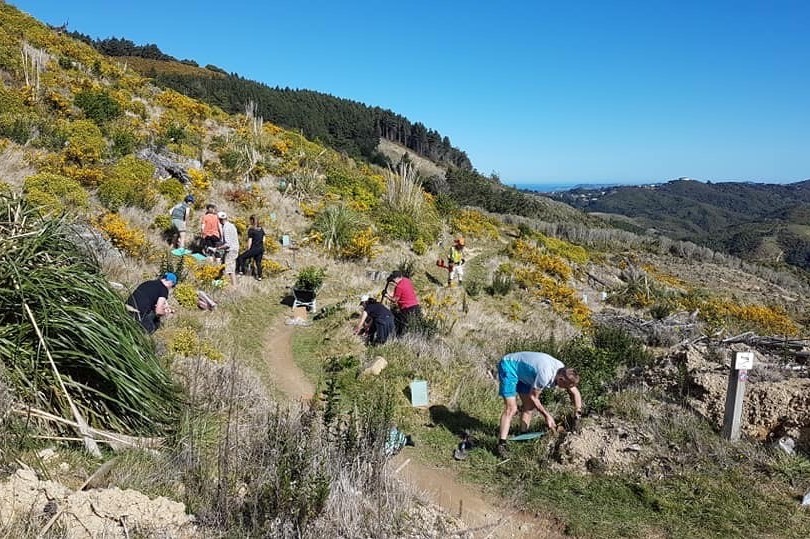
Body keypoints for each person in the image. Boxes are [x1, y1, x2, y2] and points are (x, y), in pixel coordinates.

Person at [495, 351, 582, 458]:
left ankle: (522, 436)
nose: (566, 389)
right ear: (561, 379)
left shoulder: (563, 371)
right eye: (566, 386)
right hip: (509, 366)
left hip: (525, 374)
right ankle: (501, 445)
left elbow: (575, 393)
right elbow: (533, 397)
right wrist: (547, 416)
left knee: (529, 407)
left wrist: (577, 414)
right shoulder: (545, 375)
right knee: (511, 408)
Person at [384, 271, 421, 335]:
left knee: (401, 324)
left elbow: (394, 300)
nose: (394, 280)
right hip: (415, 305)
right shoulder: (407, 280)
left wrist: (386, 295)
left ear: (397, 278)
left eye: (394, 279)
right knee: (415, 325)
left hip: (407, 309)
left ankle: (399, 337)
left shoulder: (399, 287)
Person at [236, 214, 265, 280]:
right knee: (258, 262)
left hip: (254, 248)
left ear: (252, 221)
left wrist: (249, 250)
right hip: (261, 248)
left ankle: (241, 271)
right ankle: (260, 277)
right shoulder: (261, 229)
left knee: (241, 257)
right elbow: (264, 239)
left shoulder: (251, 230)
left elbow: (250, 241)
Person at [219, 211, 239, 286]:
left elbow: (227, 244)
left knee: (229, 270)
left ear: (220, 219)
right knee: (228, 267)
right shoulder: (232, 225)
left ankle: (232, 286)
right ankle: (232, 285)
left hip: (230, 251)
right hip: (235, 249)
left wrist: (219, 248)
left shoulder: (225, 228)